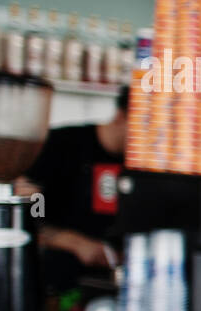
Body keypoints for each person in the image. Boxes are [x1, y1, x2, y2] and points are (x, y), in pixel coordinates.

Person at [15, 86, 128, 290]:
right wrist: (74, 243)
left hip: (106, 284)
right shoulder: (62, 144)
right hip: (51, 280)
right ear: (121, 116)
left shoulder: (139, 165)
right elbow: (25, 216)